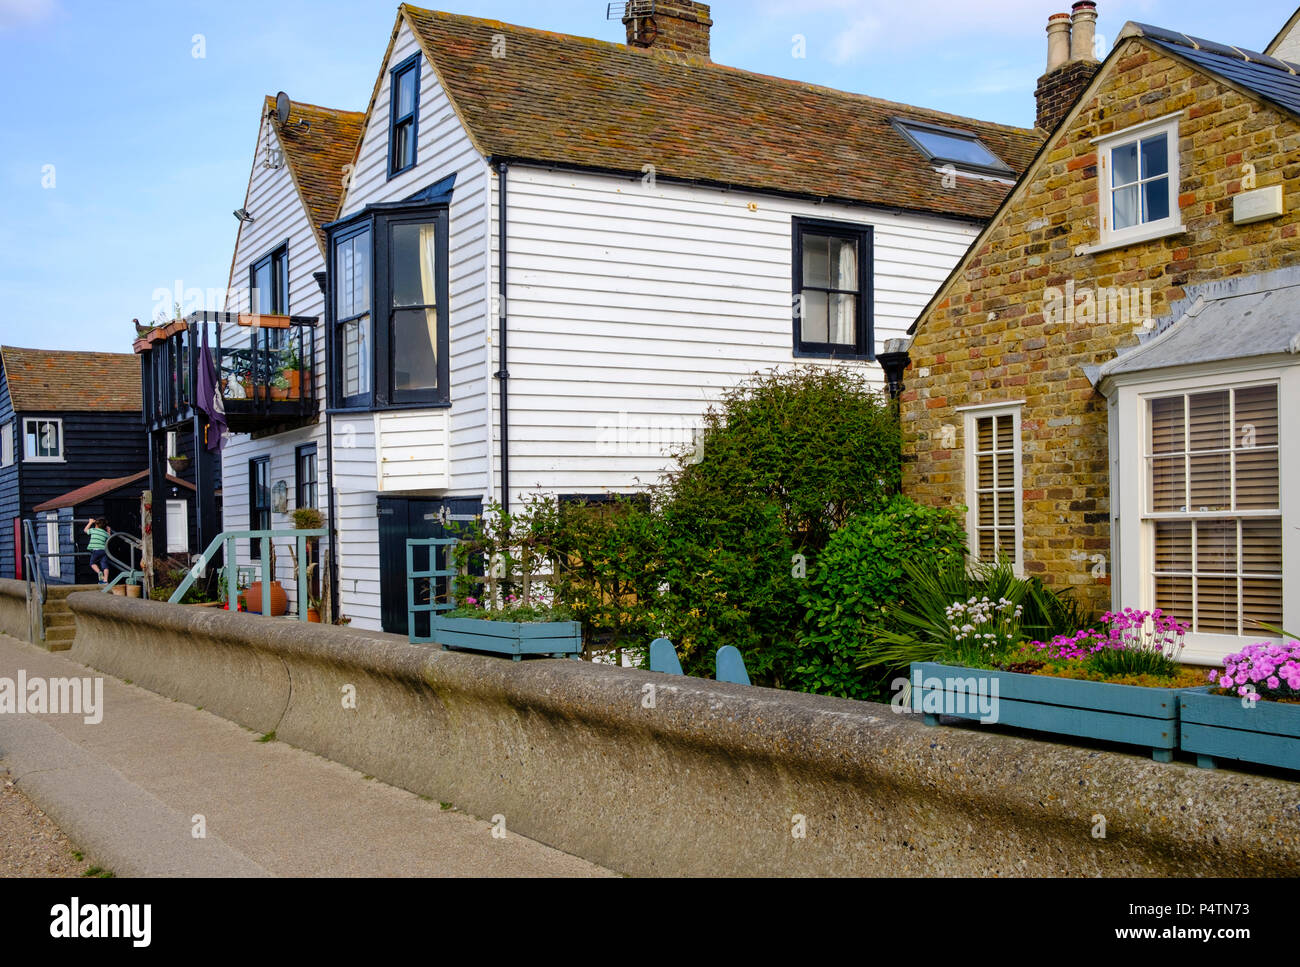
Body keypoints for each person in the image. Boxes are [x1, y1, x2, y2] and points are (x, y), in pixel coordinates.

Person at [85, 518, 111, 584]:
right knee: (105, 566)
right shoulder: (105, 533)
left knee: (92, 563)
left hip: (96, 550)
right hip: (104, 551)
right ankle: (105, 580)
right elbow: (109, 537)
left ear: (96, 525)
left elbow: (85, 530)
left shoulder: (94, 530)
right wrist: (108, 530)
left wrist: (90, 522)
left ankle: (99, 572)